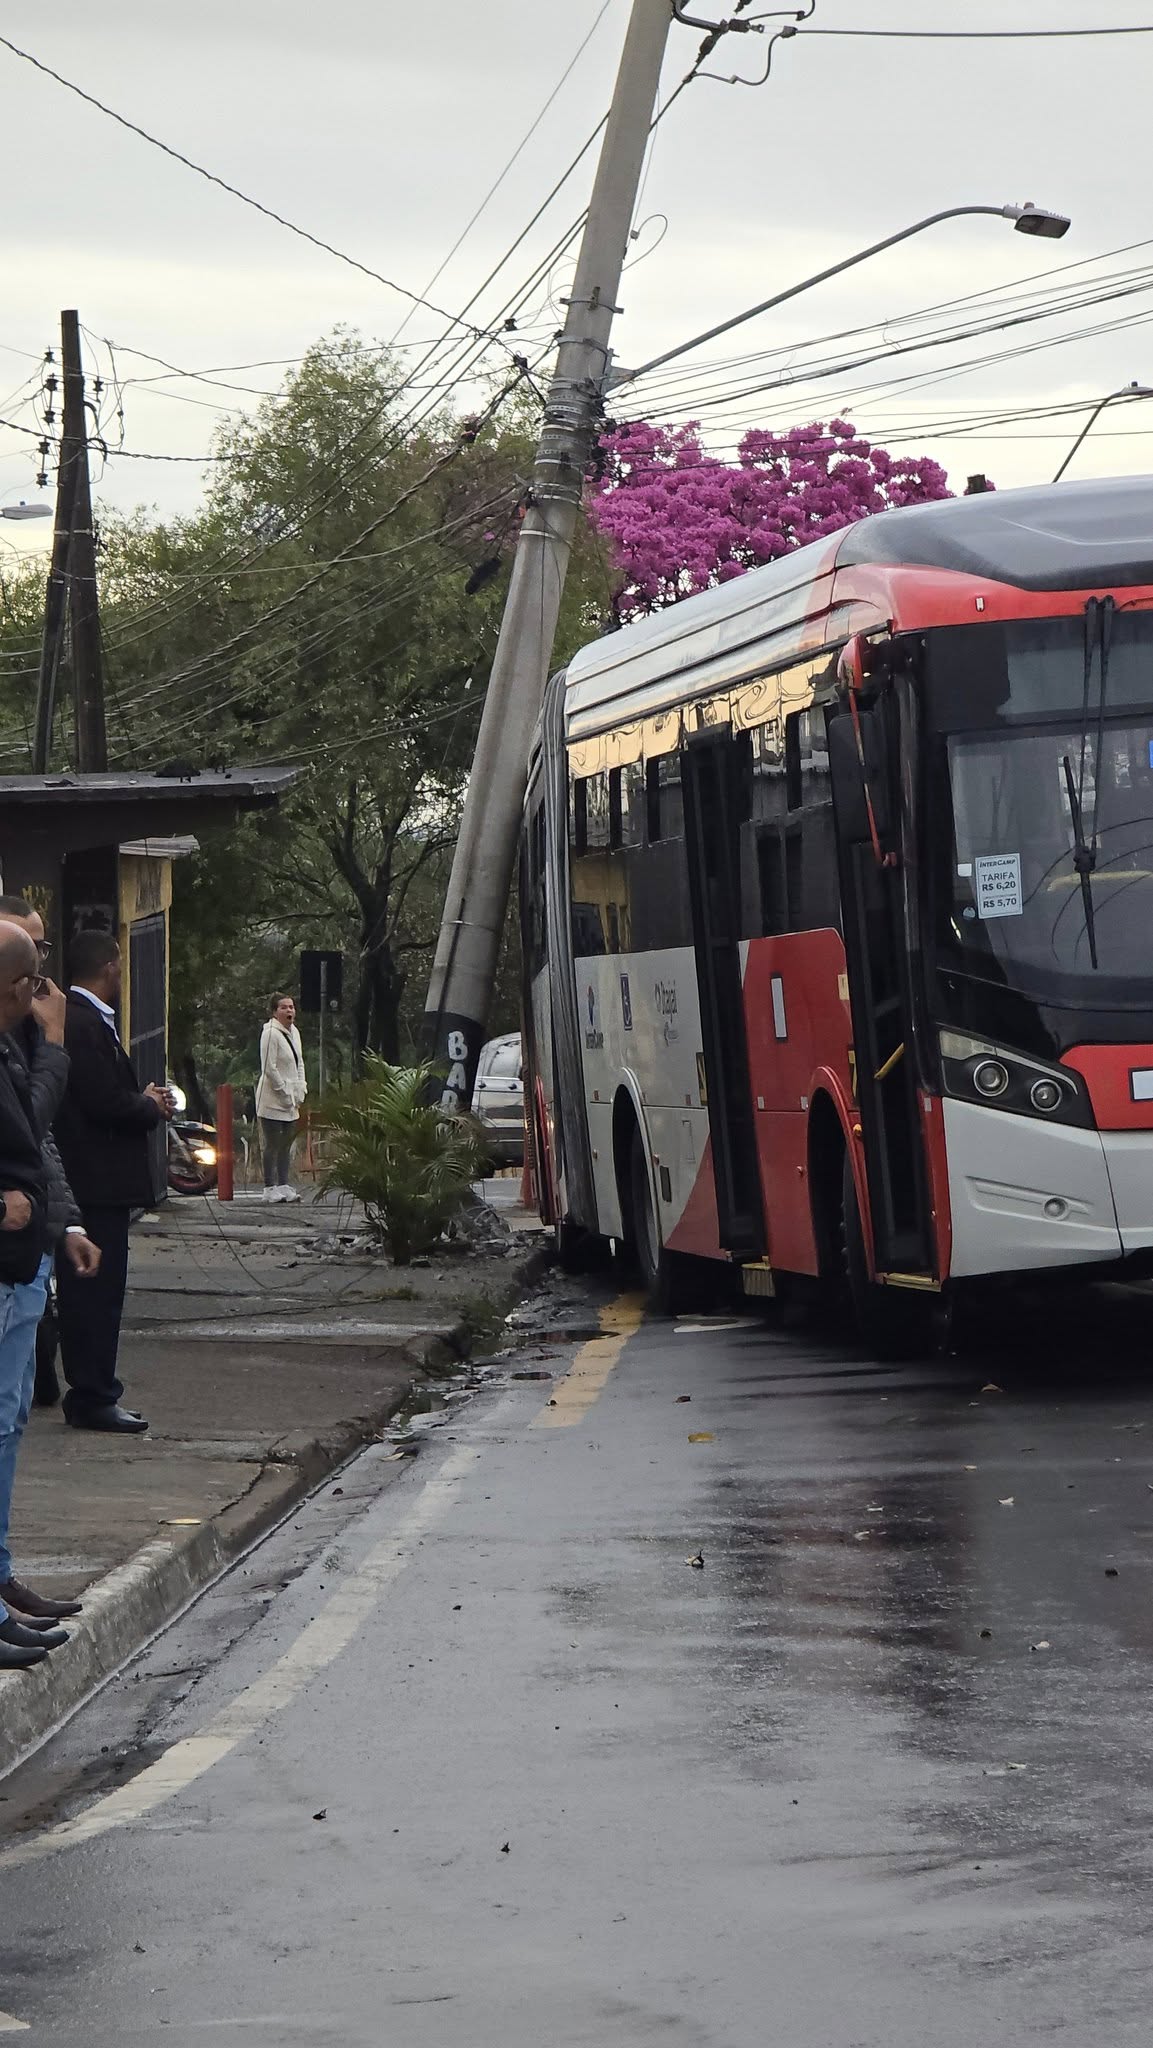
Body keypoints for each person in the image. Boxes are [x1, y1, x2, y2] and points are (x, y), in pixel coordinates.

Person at [0, 903, 101, 1630]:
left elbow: (40, 1154)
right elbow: (28, 1123)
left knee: (7, 1424)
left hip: (29, 1253)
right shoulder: (28, 1042)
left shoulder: (17, 1040)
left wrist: (63, 1220)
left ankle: (1, 1576)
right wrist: (58, 1046)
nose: (44, 986)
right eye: (32, 969)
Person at [52, 931, 174, 1434]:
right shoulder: (83, 1024)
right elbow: (102, 1102)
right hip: (95, 1184)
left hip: (99, 1184)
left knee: (100, 1295)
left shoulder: (86, 1021)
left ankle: (97, 1388)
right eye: (120, 967)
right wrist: (147, 1106)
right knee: (95, 1296)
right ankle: (93, 1393)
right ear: (108, 966)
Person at [255, 993, 307, 1202]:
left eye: (291, 1007)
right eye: (284, 1007)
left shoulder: (295, 1033)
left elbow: (299, 1061)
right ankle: (269, 1187)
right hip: (272, 1098)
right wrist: (283, 1091)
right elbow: (269, 1067)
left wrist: (301, 1086)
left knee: (287, 1142)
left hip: (291, 1098)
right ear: (275, 1012)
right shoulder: (270, 1034)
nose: (289, 1011)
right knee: (273, 1143)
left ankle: (284, 1183)